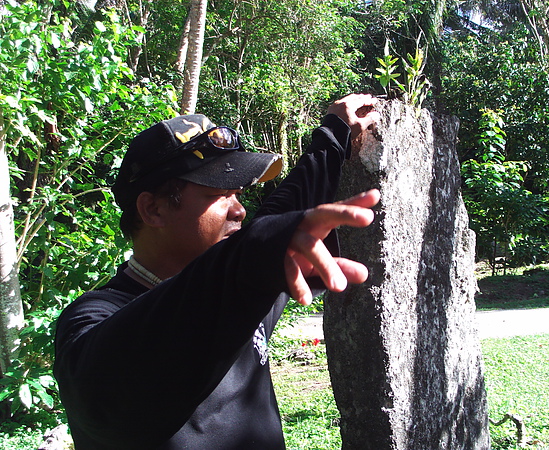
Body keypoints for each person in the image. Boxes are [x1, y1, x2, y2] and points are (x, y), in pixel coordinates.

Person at [53, 94, 379, 449]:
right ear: (154, 210)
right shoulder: (94, 319)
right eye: (220, 194)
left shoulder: (242, 287)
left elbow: (288, 204)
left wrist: (334, 132)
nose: (239, 210)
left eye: (238, 193)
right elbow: (108, 398)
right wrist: (252, 258)